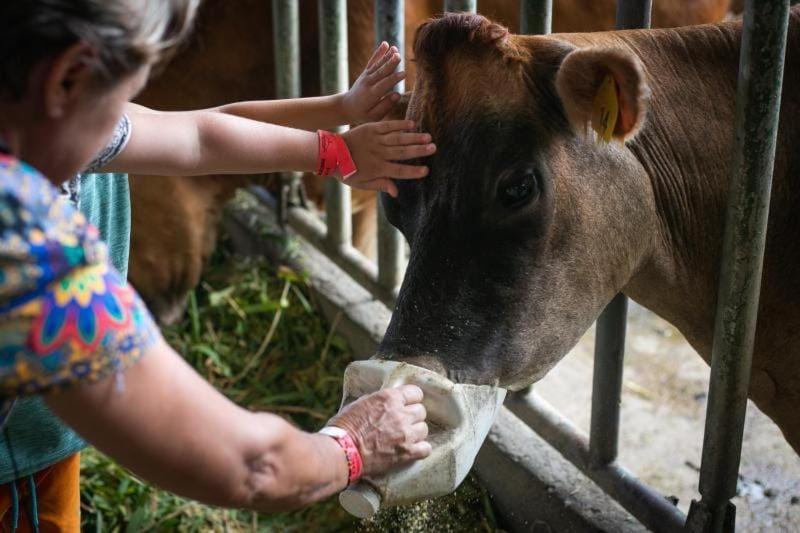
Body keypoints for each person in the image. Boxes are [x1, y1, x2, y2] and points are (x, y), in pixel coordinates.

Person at [0, 0, 434, 530]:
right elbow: (252, 467)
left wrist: (336, 147)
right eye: (124, 95)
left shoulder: (23, 102)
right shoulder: (25, 253)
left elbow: (197, 134)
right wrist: (355, 444)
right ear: (67, 78)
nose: (125, 114)